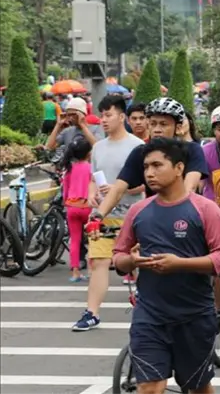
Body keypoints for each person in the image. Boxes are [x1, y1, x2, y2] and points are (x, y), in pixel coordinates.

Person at [111, 138, 220, 394]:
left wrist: (180, 265)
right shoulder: (138, 211)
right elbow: (119, 258)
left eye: (157, 165)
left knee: (197, 387)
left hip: (194, 316)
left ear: (179, 168)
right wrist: (132, 261)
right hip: (150, 316)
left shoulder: (205, 209)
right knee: (150, 387)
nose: (149, 173)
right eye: (146, 167)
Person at [71, 95, 145, 331]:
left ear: (122, 117)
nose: (103, 120)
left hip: (132, 215)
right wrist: (92, 193)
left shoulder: (138, 147)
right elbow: (94, 177)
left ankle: (147, 308)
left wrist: (120, 189)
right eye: (101, 115)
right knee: (99, 262)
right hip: (102, 214)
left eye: (108, 115)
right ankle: (91, 313)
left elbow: (147, 183)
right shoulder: (99, 147)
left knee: (140, 262)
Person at [62, 139, 93, 283]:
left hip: (71, 207)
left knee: (75, 240)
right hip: (87, 206)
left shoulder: (69, 168)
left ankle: (75, 273)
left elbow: (65, 192)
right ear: (89, 153)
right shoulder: (91, 168)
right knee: (94, 239)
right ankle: (93, 271)